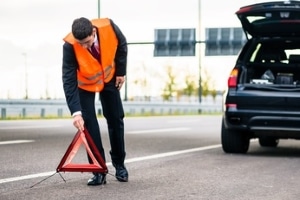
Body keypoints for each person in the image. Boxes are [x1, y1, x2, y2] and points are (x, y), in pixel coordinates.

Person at [62, 17, 128, 186]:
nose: (84, 47)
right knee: (88, 124)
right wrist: (76, 112)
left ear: (93, 32)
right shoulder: (69, 45)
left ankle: (119, 165)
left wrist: (121, 72)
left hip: (109, 77)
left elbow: (122, 44)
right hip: (85, 84)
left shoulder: (108, 26)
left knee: (115, 118)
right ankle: (98, 170)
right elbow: (68, 78)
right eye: (80, 43)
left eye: (87, 42)